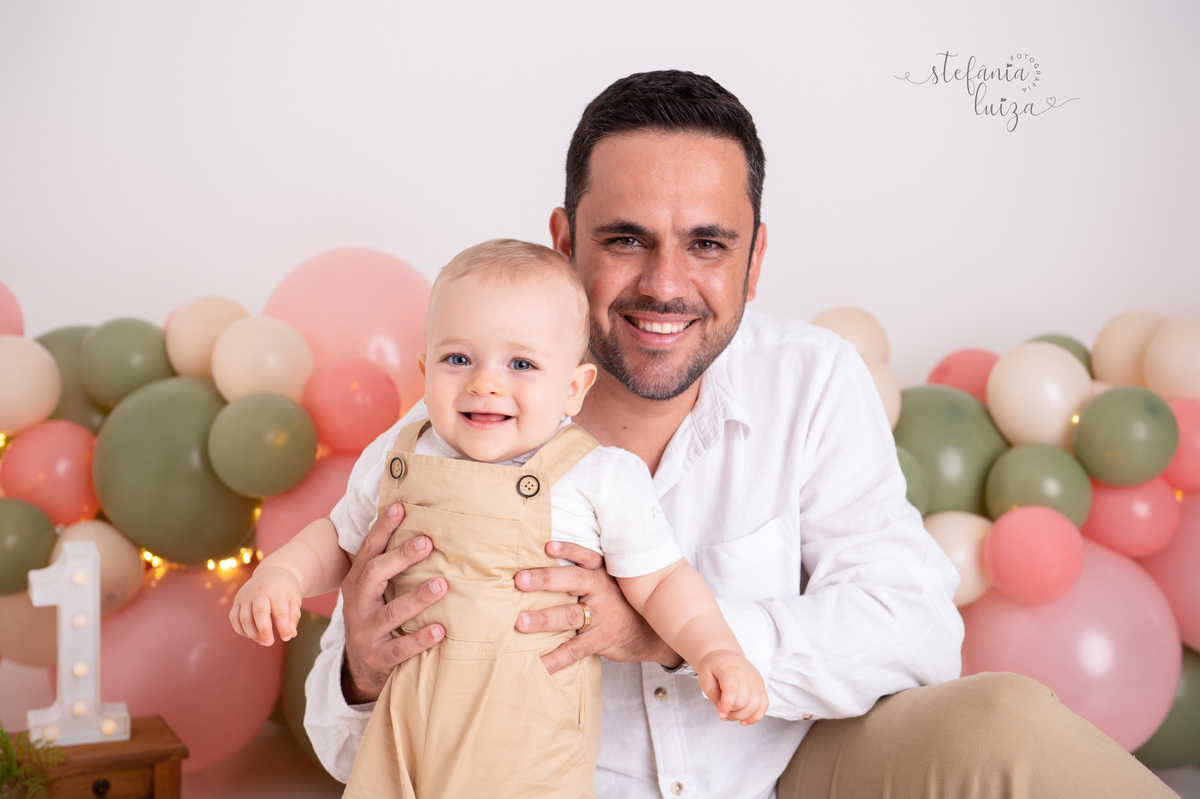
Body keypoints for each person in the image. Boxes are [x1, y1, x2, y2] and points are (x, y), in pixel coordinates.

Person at [305, 71, 1177, 798]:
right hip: (549, 781)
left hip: (790, 770)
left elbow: (914, 627)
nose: (665, 284)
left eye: (708, 244)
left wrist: (670, 634)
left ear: (755, 259)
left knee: (1004, 720)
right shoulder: (450, 435)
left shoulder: (812, 379)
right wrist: (363, 675)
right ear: (565, 243)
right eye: (626, 239)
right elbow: (344, 748)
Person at [232, 239, 767, 798]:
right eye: (458, 359)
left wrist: (716, 650)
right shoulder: (398, 454)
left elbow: (661, 582)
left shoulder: (598, 476)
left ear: (573, 389)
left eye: (521, 364)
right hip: (404, 735)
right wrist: (284, 574)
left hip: (532, 750)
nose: (485, 383)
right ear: (425, 371)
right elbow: (339, 541)